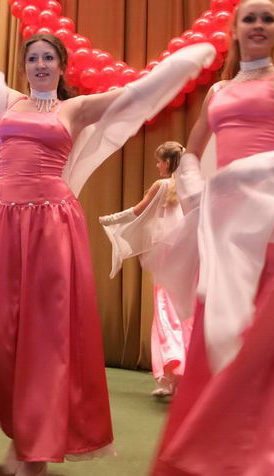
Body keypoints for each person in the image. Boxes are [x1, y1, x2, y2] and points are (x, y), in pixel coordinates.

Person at [0, 31, 215, 476]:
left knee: (45, 337)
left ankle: (36, 446)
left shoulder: (77, 109)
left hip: (51, 226)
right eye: (32, 58)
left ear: (61, 65)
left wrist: (183, 63)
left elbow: (136, 94)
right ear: (24, 65)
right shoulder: (8, 101)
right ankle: (21, 429)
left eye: (48, 58)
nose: (40, 64)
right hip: (3, 223)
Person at [150, 0, 274, 475]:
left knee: (268, 345)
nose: (259, 25)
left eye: (268, 18)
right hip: (226, 235)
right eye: (250, 18)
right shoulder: (218, 92)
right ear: (236, 31)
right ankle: (210, 454)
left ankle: (268, 459)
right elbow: (191, 151)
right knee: (222, 336)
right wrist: (198, 194)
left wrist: (245, 175)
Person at [99, 141, 191, 397]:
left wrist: (109, 220)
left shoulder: (161, 185)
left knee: (165, 306)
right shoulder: (188, 187)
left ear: (168, 163)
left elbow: (136, 211)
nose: (157, 165)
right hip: (184, 251)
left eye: (160, 161)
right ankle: (176, 377)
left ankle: (174, 365)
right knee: (179, 308)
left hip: (165, 252)